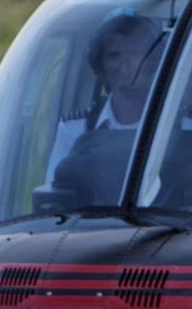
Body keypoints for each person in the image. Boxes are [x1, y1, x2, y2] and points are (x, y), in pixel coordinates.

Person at [45, 12, 164, 205]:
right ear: (101, 64)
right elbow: (54, 200)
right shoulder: (73, 129)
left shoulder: (188, 126)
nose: (126, 64)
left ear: (154, 60)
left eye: (136, 53)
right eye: (114, 55)